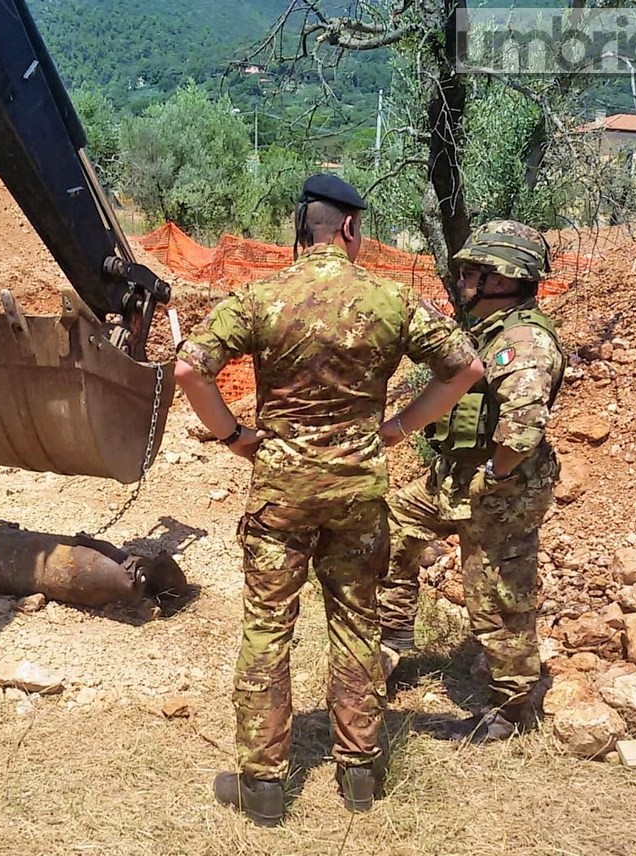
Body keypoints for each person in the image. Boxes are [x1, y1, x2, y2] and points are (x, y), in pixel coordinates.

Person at [174, 174, 484, 826]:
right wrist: (402, 426)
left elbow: (186, 367)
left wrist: (233, 436)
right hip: (357, 496)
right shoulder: (391, 298)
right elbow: (467, 368)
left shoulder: (261, 295)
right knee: (356, 626)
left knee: (267, 631)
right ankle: (359, 772)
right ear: (348, 228)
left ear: (303, 228)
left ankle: (262, 784)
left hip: (281, 495)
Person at [378, 220, 566, 743]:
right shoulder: (491, 331)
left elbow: (522, 428)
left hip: (499, 490)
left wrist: (494, 474)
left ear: (503, 279)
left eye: (472, 273)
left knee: (498, 592)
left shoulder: (522, 342)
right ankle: (393, 637)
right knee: (394, 526)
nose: (462, 281)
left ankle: (510, 709)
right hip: (456, 478)